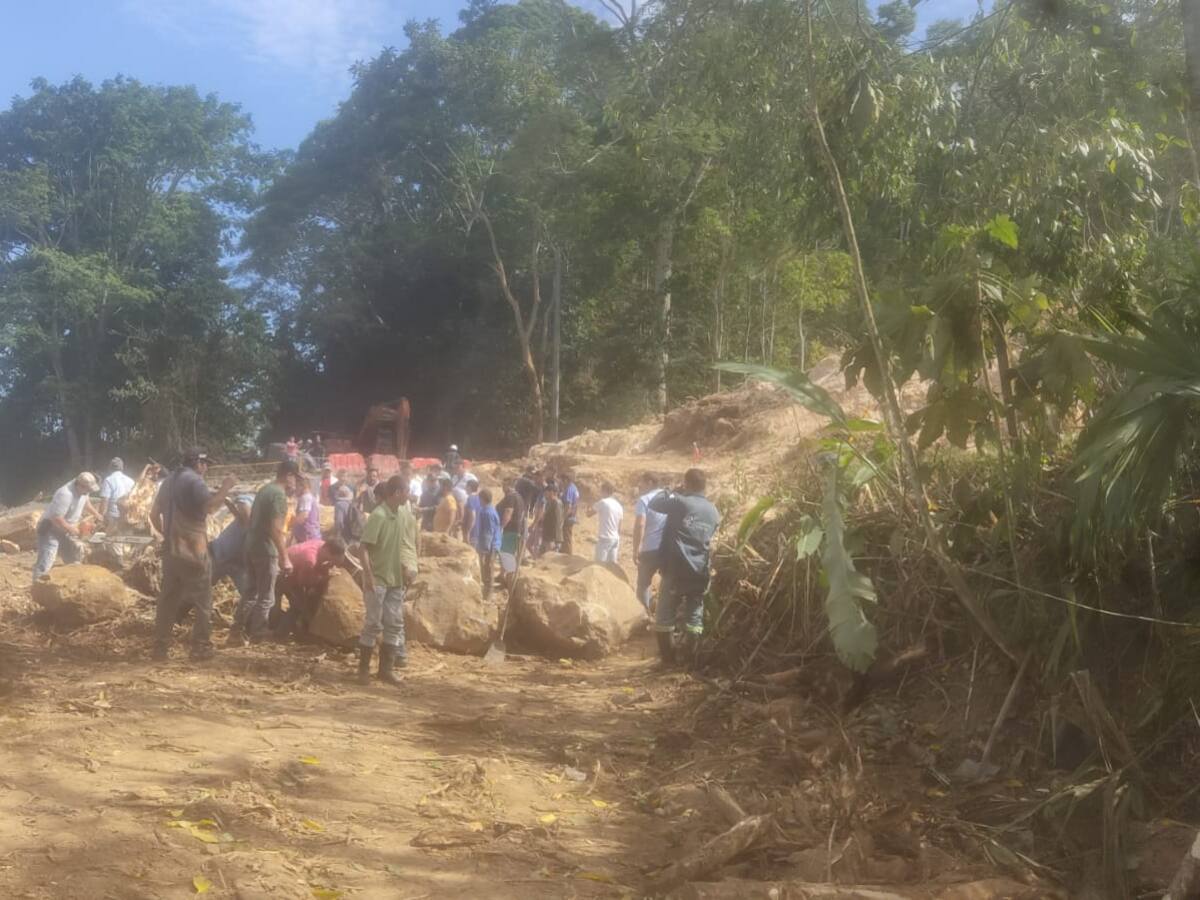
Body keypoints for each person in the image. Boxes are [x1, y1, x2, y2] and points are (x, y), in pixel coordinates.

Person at [150, 450, 236, 661]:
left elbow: (153, 514)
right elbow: (210, 507)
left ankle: (160, 648)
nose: (206, 468)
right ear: (197, 463)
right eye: (205, 463)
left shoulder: (168, 481)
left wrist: (166, 536)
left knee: (168, 600)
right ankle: (200, 647)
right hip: (193, 550)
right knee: (203, 600)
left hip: (171, 551)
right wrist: (226, 487)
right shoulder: (195, 481)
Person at [650, 468, 721, 666]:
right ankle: (692, 661)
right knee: (694, 616)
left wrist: (670, 489)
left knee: (664, 614)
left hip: (676, 567)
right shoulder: (713, 510)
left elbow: (654, 503)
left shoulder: (680, 502)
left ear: (687, 483)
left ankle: (668, 661)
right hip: (700, 570)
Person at [358, 475, 419, 686]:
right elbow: (363, 548)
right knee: (373, 623)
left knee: (394, 623)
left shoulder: (402, 513)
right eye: (407, 491)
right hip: (378, 579)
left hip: (395, 579)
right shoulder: (379, 516)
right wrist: (368, 576)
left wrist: (407, 567)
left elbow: (406, 542)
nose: (409, 495)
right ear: (397, 493)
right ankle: (363, 670)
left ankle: (386, 670)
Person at [231, 460, 298, 646]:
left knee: (250, 593)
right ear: (289, 475)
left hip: (251, 545)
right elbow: (276, 529)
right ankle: (258, 635)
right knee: (267, 596)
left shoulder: (264, 490)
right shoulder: (278, 496)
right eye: (295, 478)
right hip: (266, 549)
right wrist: (285, 558)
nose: (295, 483)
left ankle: (235, 633)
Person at [273, 537, 348, 639]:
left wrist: (327, 567)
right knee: (298, 605)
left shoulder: (322, 545)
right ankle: (280, 634)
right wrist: (324, 576)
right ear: (327, 551)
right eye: (331, 560)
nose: (331, 563)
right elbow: (303, 582)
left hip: (294, 572)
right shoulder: (309, 559)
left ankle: (290, 628)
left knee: (300, 602)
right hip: (283, 575)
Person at [33, 472, 100, 581]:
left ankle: (73, 584)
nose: (88, 492)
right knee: (47, 559)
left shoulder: (83, 491)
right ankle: (37, 584)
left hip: (65, 529)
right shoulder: (65, 494)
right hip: (50, 529)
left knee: (73, 559)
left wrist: (96, 514)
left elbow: (86, 502)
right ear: (80, 486)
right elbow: (57, 518)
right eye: (87, 489)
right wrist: (72, 529)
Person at [210, 494, 254, 609]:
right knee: (199, 590)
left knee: (249, 596)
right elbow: (242, 500)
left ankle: (244, 622)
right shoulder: (252, 506)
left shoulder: (268, 526)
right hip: (218, 555)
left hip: (239, 564)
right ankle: (176, 616)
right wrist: (248, 523)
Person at [632, 474, 667, 612]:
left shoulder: (644, 499)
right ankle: (663, 617)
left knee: (643, 584)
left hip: (649, 548)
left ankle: (643, 617)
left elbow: (640, 524)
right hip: (667, 548)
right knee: (667, 583)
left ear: (650, 482)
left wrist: (636, 549)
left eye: (642, 482)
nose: (640, 485)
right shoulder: (669, 497)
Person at [496, 478, 527, 584]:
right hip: (517, 530)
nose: (502, 488)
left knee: (507, 555)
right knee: (507, 554)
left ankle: (508, 581)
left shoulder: (511, 497)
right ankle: (502, 576)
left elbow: (508, 513)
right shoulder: (519, 497)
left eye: (503, 485)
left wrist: (501, 527)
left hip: (511, 530)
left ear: (508, 485)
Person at [474, 489, 502, 602]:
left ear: (483, 499)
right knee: (487, 568)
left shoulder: (487, 513)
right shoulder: (488, 510)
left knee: (488, 568)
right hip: (491, 543)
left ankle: (489, 594)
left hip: (490, 545)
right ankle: (486, 591)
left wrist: (484, 549)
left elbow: (488, 532)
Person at [97, 457, 135, 532]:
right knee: (126, 541)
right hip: (127, 516)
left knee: (111, 540)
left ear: (110, 468)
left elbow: (105, 500)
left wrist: (100, 516)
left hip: (113, 516)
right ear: (122, 468)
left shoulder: (109, 480)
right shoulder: (131, 481)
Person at [589, 482, 623, 564]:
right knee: (612, 566)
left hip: (605, 538)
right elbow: (620, 526)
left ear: (604, 490)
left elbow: (588, 514)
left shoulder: (603, 502)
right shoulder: (618, 505)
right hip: (615, 538)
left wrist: (589, 505)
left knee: (599, 564)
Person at [539, 482, 564, 555]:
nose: (545, 494)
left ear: (552, 492)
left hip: (552, 538)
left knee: (550, 559)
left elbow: (558, 521)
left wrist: (553, 539)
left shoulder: (556, 503)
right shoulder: (550, 503)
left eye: (546, 492)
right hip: (547, 536)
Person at [561, 472, 580, 555]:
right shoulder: (574, 488)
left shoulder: (569, 489)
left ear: (565, 480)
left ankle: (568, 556)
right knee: (567, 537)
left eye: (562, 480)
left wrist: (562, 518)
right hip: (572, 516)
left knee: (566, 538)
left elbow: (568, 506)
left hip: (568, 517)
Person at [462, 479, 482, 547]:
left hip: (472, 531)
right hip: (477, 529)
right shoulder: (478, 498)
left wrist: (468, 530)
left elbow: (472, 515)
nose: (465, 488)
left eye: (466, 486)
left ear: (469, 487)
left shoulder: (471, 498)